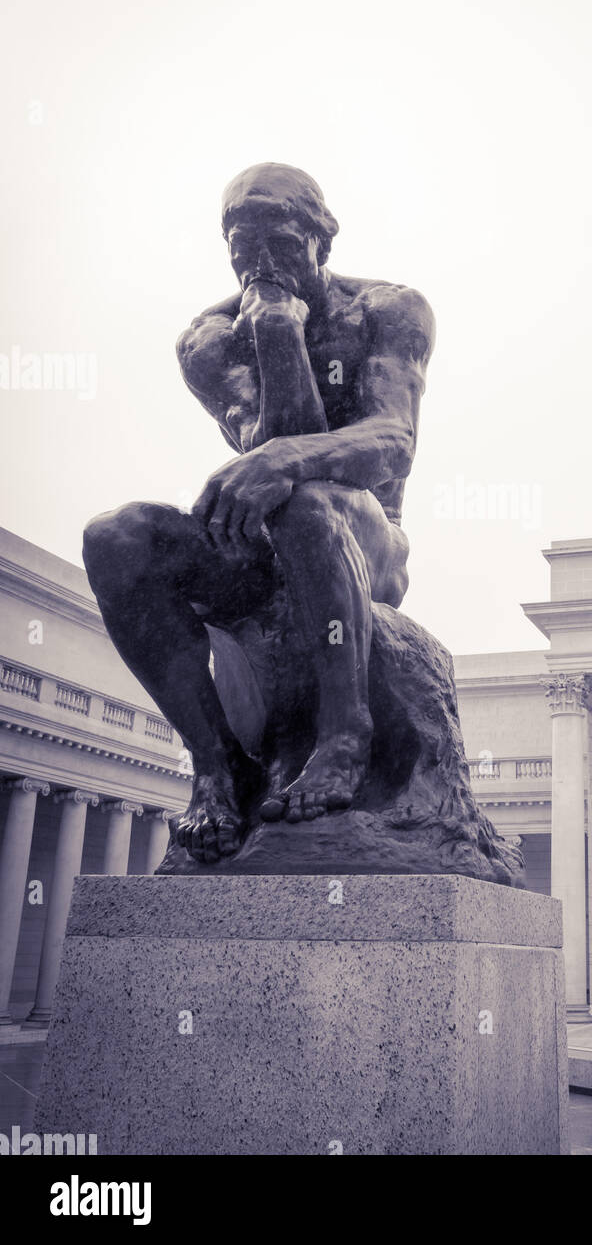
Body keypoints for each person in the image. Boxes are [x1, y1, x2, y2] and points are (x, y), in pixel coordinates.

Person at [83, 163, 435, 863]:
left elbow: (391, 442)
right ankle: (217, 767)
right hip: (260, 548)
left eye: (277, 238)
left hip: (369, 542)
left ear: (322, 235)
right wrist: (275, 328)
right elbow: (269, 442)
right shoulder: (209, 339)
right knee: (116, 536)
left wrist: (286, 459)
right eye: (239, 244)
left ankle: (344, 734)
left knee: (302, 496)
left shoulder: (389, 310)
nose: (258, 260)